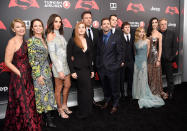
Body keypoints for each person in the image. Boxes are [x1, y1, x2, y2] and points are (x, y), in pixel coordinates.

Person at [4, 18, 41, 130]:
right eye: (17, 27)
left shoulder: (26, 42)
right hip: (18, 78)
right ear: (13, 29)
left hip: (28, 76)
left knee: (29, 103)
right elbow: (7, 62)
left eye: (22, 26)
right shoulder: (12, 42)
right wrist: (19, 73)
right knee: (23, 104)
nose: (21, 29)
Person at [28, 18, 56, 127]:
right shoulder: (31, 41)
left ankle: (47, 114)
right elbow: (32, 60)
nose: (38, 27)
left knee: (48, 93)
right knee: (43, 93)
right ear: (32, 28)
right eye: (35, 26)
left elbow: (47, 57)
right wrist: (38, 75)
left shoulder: (43, 39)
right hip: (39, 71)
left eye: (40, 25)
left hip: (46, 71)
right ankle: (48, 119)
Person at [132, 27, 165, 109]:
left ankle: (143, 94)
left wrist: (144, 61)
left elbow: (148, 52)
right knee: (136, 78)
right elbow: (135, 52)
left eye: (143, 32)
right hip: (136, 62)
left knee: (143, 79)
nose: (141, 33)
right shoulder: (135, 41)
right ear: (137, 33)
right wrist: (137, 60)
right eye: (140, 32)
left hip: (143, 62)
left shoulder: (147, 41)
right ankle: (137, 94)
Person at [67, 21, 94, 119]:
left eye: (83, 27)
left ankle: (88, 111)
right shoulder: (72, 40)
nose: (82, 29)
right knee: (83, 92)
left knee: (89, 91)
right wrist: (72, 71)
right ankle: (82, 112)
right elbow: (69, 58)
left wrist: (92, 70)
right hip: (78, 70)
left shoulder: (88, 40)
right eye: (80, 27)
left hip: (87, 70)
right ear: (76, 29)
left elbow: (90, 57)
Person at [96, 18, 123, 114]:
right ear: (101, 26)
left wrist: (116, 66)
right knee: (105, 87)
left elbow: (120, 54)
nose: (106, 25)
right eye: (104, 24)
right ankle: (107, 101)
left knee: (115, 88)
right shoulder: (99, 38)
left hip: (113, 69)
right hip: (102, 69)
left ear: (110, 26)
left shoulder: (117, 37)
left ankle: (115, 104)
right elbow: (98, 53)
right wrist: (98, 65)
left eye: (108, 24)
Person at [46, 14, 72, 119]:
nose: (58, 24)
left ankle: (65, 105)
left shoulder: (60, 34)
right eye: (56, 21)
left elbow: (64, 51)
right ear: (51, 23)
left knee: (68, 85)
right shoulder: (50, 35)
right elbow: (52, 54)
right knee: (58, 89)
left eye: (59, 21)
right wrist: (59, 70)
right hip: (58, 67)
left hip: (66, 65)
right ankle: (60, 109)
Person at [80, 11, 100, 106]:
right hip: (83, 63)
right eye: (86, 18)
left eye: (90, 17)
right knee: (84, 84)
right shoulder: (78, 31)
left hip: (95, 62)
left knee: (92, 83)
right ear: (82, 20)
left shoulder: (96, 31)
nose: (89, 19)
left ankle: (92, 100)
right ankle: (85, 102)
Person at [147, 17, 168, 99]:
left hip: (155, 57)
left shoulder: (159, 34)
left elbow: (160, 48)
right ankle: (149, 90)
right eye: (153, 22)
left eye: (156, 22)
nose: (155, 24)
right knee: (149, 74)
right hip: (148, 57)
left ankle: (156, 91)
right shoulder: (148, 33)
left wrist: (159, 59)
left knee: (156, 74)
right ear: (151, 24)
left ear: (157, 24)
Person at [159, 18, 178, 99]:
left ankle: (170, 93)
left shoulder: (172, 33)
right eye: (162, 24)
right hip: (159, 60)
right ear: (159, 25)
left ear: (167, 24)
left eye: (165, 24)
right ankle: (159, 92)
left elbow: (175, 47)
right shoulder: (157, 33)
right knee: (158, 78)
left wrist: (170, 58)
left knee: (169, 78)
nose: (163, 26)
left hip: (168, 60)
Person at [121, 22, 135, 98]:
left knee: (131, 79)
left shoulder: (133, 36)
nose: (127, 29)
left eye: (128, 27)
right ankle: (122, 94)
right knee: (121, 79)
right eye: (126, 27)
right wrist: (121, 60)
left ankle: (130, 93)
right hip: (122, 62)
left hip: (131, 61)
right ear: (122, 29)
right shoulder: (120, 37)